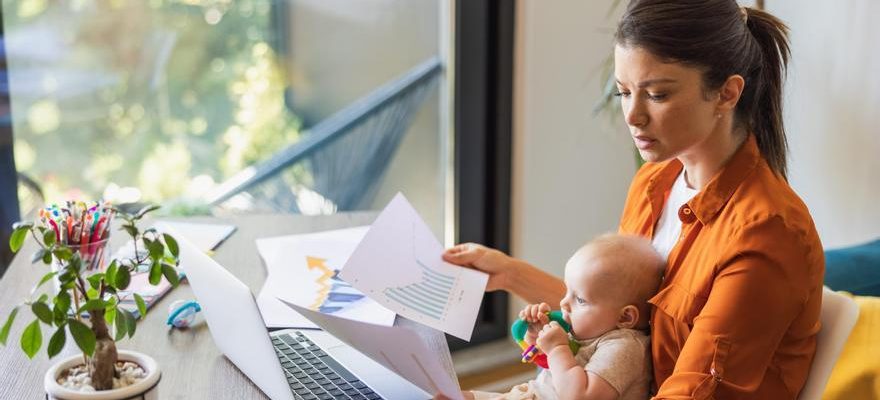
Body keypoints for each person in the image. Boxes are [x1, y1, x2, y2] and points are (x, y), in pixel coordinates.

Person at [444, 1, 824, 398]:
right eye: (624, 92)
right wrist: (508, 274)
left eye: (657, 94)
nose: (632, 115)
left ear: (727, 93)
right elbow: (618, 317)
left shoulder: (765, 233)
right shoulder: (654, 183)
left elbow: (692, 390)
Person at [465, 234, 664, 400]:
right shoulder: (590, 331)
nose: (563, 303)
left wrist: (557, 349)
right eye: (567, 291)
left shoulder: (624, 348)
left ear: (625, 317)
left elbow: (580, 395)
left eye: (580, 299)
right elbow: (558, 371)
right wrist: (538, 340)